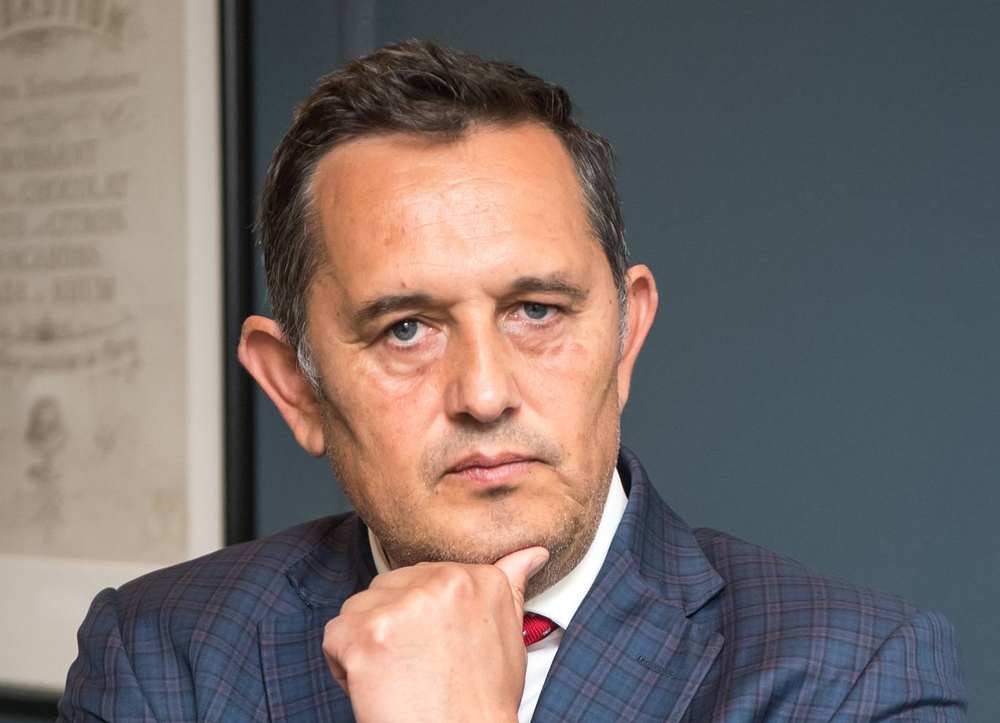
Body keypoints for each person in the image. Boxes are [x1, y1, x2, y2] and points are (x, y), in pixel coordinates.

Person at [60, 40, 966, 722]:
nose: (485, 393)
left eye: (536, 310)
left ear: (625, 336)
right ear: (295, 386)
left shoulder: (855, 677)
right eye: (406, 328)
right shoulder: (163, 656)